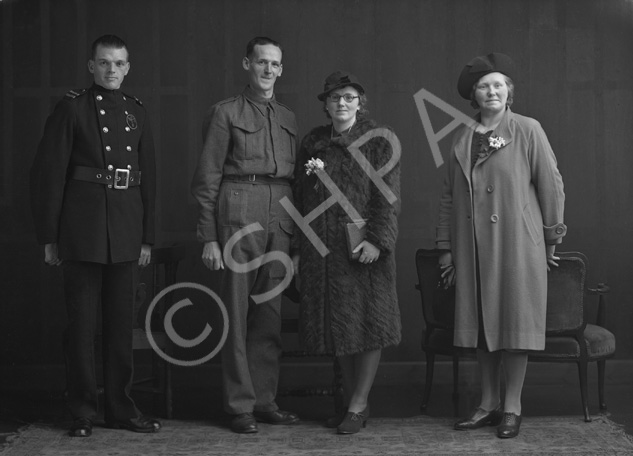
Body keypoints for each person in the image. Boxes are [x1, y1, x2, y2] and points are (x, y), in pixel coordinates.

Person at [30, 35, 160, 437]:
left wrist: (146, 238)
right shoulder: (72, 108)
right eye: (104, 63)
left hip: (125, 228)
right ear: (91, 67)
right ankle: (83, 410)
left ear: (127, 67)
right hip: (81, 230)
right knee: (82, 327)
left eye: (119, 64)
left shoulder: (137, 112)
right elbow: (48, 175)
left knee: (121, 327)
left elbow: (148, 177)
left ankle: (121, 408)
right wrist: (50, 237)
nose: (111, 71)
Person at [436, 53, 566, 439]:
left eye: (498, 84)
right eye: (483, 86)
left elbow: (551, 185)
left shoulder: (527, 129)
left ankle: (512, 406)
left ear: (509, 93)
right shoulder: (461, 138)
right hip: (472, 248)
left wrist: (550, 238)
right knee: (481, 326)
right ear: (473, 96)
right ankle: (486, 403)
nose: (491, 90)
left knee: (513, 324)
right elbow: (448, 197)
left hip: (516, 244)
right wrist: (446, 247)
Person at [191, 36, 300, 434]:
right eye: (261, 63)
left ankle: (264, 400)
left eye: (275, 64)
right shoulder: (224, 113)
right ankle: (239, 405)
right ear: (246, 65)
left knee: (269, 314)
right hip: (238, 210)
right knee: (237, 315)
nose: (268, 70)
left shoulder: (288, 117)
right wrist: (209, 237)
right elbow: (207, 177)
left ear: (281, 69)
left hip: (282, 214)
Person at [292, 71, 401, 435]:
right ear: (325, 104)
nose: (342, 103)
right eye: (335, 97)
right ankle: (351, 402)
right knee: (340, 325)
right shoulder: (313, 143)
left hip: (363, 247)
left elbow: (387, 196)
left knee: (369, 323)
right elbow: (299, 197)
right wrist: (298, 248)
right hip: (322, 250)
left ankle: (357, 404)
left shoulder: (378, 142)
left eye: (349, 97)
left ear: (360, 102)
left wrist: (377, 241)